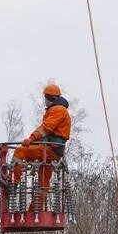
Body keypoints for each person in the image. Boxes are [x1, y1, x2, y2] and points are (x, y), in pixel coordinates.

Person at [11, 82, 71, 210]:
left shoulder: (58, 110)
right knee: (44, 180)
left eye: (45, 98)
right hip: (53, 151)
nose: (44, 101)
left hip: (50, 150)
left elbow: (45, 128)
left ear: (49, 98)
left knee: (20, 152)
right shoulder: (58, 110)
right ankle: (34, 210)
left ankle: (12, 185)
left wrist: (31, 139)